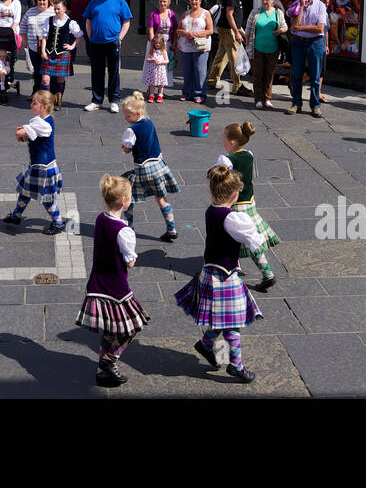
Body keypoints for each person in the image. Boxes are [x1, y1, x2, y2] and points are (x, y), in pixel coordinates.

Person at [174, 163, 264, 383]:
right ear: (235, 195)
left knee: (221, 319)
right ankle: (236, 366)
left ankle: (205, 344)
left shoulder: (211, 210)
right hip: (224, 277)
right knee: (232, 323)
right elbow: (255, 242)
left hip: (210, 272)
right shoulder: (232, 218)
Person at [76, 174, 151, 388]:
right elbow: (130, 262)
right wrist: (133, 256)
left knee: (110, 329)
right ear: (124, 201)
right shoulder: (124, 231)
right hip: (117, 288)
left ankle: (103, 372)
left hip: (97, 283)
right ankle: (109, 361)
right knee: (131, 328)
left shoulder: (101, 219)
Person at [213, 121, 278, 293]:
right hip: (250, 202)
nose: (223, 142)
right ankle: (234, 266)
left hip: (236, 205)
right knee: (240, 237)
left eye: (224, 139)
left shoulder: (227, 160)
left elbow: (216, 175)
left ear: (232, 142)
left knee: (245, 239)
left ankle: (267, 274)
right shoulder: (249, 154)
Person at [119, 92, 180, 241]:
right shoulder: (149, 121)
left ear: (137, 113)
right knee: (161, 198)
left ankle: (128, 227)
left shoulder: (131, 130)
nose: (126, 119)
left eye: (128, 116)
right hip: (159, 166)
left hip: (143, 169)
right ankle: (171, 229)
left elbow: (126, 149)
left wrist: (125, 145)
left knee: (127, 195)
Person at [4, 90, 65, 233]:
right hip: (38, 166)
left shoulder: (43, 124)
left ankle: (59, 223)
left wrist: (22, 130)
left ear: (44, 106)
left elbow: (20, 133)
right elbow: (28, 133)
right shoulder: (41, 120)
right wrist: (25, 130)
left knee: (48, 199)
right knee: (25, 191)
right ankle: (16, 216)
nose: (31, 105)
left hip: (44, 168)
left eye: (35, 103)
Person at [82, 0, 133, 113]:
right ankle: (96, 100)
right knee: (96, 72)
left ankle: (114, 100)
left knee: (114, 72)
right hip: (96, 42)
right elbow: (88, 20)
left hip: (112, 42)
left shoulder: (120, 2)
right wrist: (90, 36)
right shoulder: (94, 1)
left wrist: (120, 37)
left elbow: (126, 21)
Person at [285, 0, 328, 116]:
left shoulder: (321, 6)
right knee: (297, 74)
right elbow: (293, 26)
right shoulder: (297, 4)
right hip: (298, 42)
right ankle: (296, 103)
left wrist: (301, 27)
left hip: (315, 42)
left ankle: (315, 105)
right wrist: (302, 6)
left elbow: (320, 28)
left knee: (315, 75)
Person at [245, 0, 289, 110]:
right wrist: (247, 44)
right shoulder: (255, 12)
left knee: (269, 75)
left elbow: (285, 27)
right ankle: (258, 99)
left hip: (273, 49)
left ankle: (268, 98)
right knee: (258, 74)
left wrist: (280, 30)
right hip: (257, 48)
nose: (265, 2)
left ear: (273, 1)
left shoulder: (278, 13)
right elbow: (248, 29)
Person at [206, 0, 248, 96]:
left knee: (222, 55)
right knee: (234, 57)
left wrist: (240, 29)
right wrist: (236, 32)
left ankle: (211, 80)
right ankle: (237, 85)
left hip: (226, 29)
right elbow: (229, 14)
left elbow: (233, 15)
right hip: (229, 30)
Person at [40, 0, 82, 109]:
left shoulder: (70, 22)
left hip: (62, 54)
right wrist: (43, 51)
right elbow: (44, 37)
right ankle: (48, 101)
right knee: (45, 79)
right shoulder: (48, 20)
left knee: (60, 79)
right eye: (55, 9)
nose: (56, 11)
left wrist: (72, 46)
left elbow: (79, 35)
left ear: (64, 9)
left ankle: (58, 101)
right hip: (49, 53)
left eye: (59, 9)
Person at [177, 0, 215, 104]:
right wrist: (186, 33)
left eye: (196, 0)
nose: (194, 2)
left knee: (200, 71)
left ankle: (199, 94)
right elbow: (178, 30)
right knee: (187, 71)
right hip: (186, 47)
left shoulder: (206, 13)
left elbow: (210, 30)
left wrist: (197, 34)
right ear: (189, 1)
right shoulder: (185, 13)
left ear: (200, 1)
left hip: (201, 47)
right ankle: (187, 93)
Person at [19, 0, 54, 97]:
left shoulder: (53, 12)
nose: (41, 2)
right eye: (39, 0)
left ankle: (47, 95)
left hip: (48, 48)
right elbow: (23, 26)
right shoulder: (30, 11)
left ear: (48, 1)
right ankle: (36, 93)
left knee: (46, 74)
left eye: (44, 0)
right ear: (36, 1)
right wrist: (24, 40)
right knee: (37, 71)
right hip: (33, 47)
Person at [142, 35, 170, 102]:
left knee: (161, 84)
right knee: (152, 83)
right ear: (154, 43)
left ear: (162, 43)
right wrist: (152, 60)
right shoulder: (152, 51)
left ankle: (160, 95)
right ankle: (152, 95)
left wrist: (161, 62)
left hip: (160, 71)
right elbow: (147, 59)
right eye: (156, 43)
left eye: (159, 43)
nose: (157, 44)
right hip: (153, 71)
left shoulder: (163, 51)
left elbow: (167, 60)